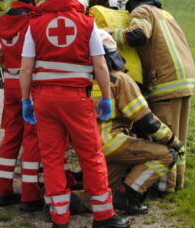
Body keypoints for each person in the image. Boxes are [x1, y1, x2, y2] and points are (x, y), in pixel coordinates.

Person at [19, 0, 130, 228]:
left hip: (44, 99)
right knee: (90, 155)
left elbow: (25, 69)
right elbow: (100, 66)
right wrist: (105, 97)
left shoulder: (34, 23)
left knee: (52, 157)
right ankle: (103, 217)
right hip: (77, 99)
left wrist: (25, 102)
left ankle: (59, 222)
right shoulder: (87, 22)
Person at [71, 30, 184, 215]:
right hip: (112, 143)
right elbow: (145, 119)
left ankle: (67, 202)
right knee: (167, 156)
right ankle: (129, 196)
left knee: (103, 195)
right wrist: (172, 140)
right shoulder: (120, 80)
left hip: (87, 146)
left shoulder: (78, 81)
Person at [112, 0, 195, 193]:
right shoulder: (165, 13)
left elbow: (139, 35)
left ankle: (163, 187)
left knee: (165, 135)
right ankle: (177, 183)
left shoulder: (141, 11)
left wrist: (110, 35)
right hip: (185, 77)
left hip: (165, 80)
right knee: (179, 136)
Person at [0, 0, 45, 210]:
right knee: (32, 137)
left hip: (10, 83)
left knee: (11, 136)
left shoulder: (1, 22)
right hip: (29, 85)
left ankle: (2, 190)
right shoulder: (34, 19)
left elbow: (0, 56)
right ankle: (30, 194)